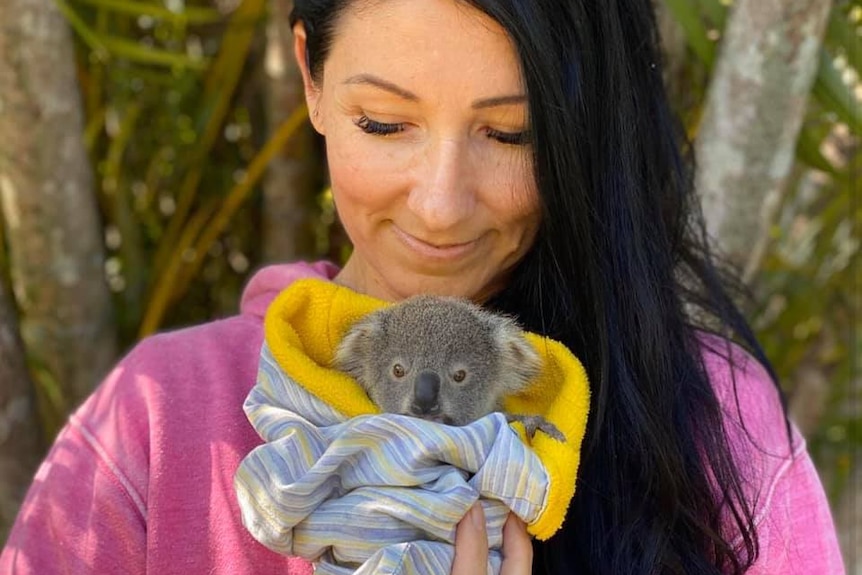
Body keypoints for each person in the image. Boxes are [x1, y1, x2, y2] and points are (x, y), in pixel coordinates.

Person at [0, 0, 845, 573]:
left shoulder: (716, 426)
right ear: (312, 79)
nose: (440, 205)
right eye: (385, 123)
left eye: (511, 133)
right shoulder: (155, 419)